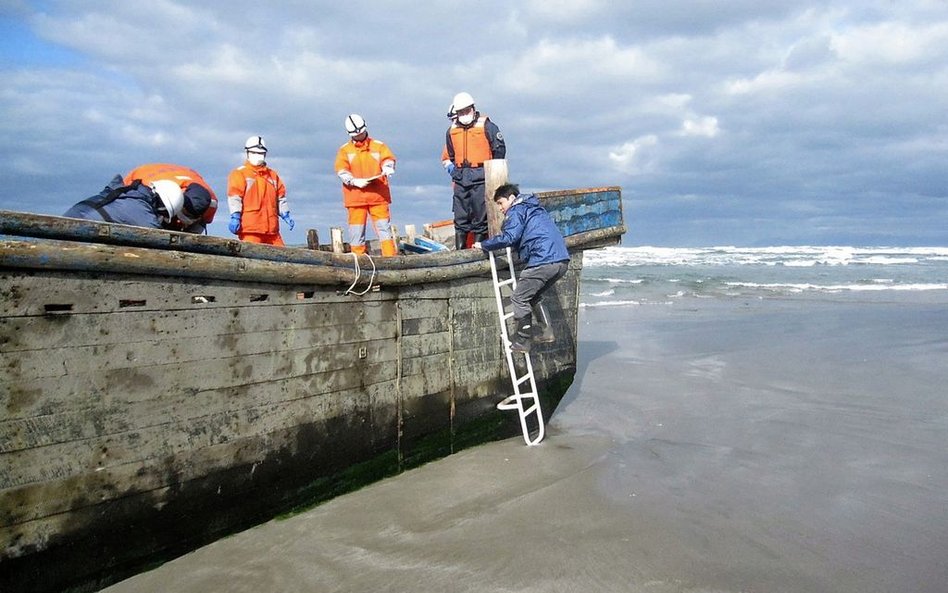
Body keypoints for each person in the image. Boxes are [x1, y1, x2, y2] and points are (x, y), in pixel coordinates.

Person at [474, 183, 570, 353]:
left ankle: (523, 341)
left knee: (519, 298)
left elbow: (510, 236)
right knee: (533, 295)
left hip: (543, 260)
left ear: (512, 198)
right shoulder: (535, 209)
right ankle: (547, 332)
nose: (501, 209)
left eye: (501, 203)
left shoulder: (517, 210)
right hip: (561, 261)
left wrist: (484, 244)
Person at [441, 91, 506, 249]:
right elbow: (449, 154)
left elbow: (499, 150)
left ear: (473, 108)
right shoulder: (451, 131)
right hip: (461, 176)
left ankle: (479, 246)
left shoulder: (487, 126)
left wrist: (491, 173)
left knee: (480, 212)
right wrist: (455, 172)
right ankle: (460, 251)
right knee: (460, 213)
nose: (464, 114)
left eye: (466, 110)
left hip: (481, 175)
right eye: (460, 112)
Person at [334, 114, 398, 256]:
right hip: (356, 198)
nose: (359, 135)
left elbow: (388, 158)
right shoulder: (344, 150)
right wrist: (353, 181)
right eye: (356, 134)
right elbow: (341, 170)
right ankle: (359, 263)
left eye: (361, 132)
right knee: (356, 235)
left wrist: (388, 167)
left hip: (378, 197)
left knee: (384, 232)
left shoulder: (379, 146)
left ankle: (390, 261)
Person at [63, 174, 199, 231]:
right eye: (164, 214)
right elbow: (158, 240)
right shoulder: (143, 214)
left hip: (70, 220)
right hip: (78, 231)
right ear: (162, 207)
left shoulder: (129, 192)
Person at [226, 135, 293, 246]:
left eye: (261, 153)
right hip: (250, 230)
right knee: (252, 260)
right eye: (254, 153)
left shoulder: (272, 175)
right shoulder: (239, 173)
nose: (258, 156)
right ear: (247, 153)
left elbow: (280, 197)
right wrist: (235, 215)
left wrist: (285, 214)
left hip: (272, 231)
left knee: (283, 258)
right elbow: (235, 197)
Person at [122, 163, 217, 233]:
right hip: (142, 177)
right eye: (184, 214)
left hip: (178, 175)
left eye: (191, 217)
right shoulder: (155, 190)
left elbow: (198, 229)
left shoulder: (211, 204)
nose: (184, 222)